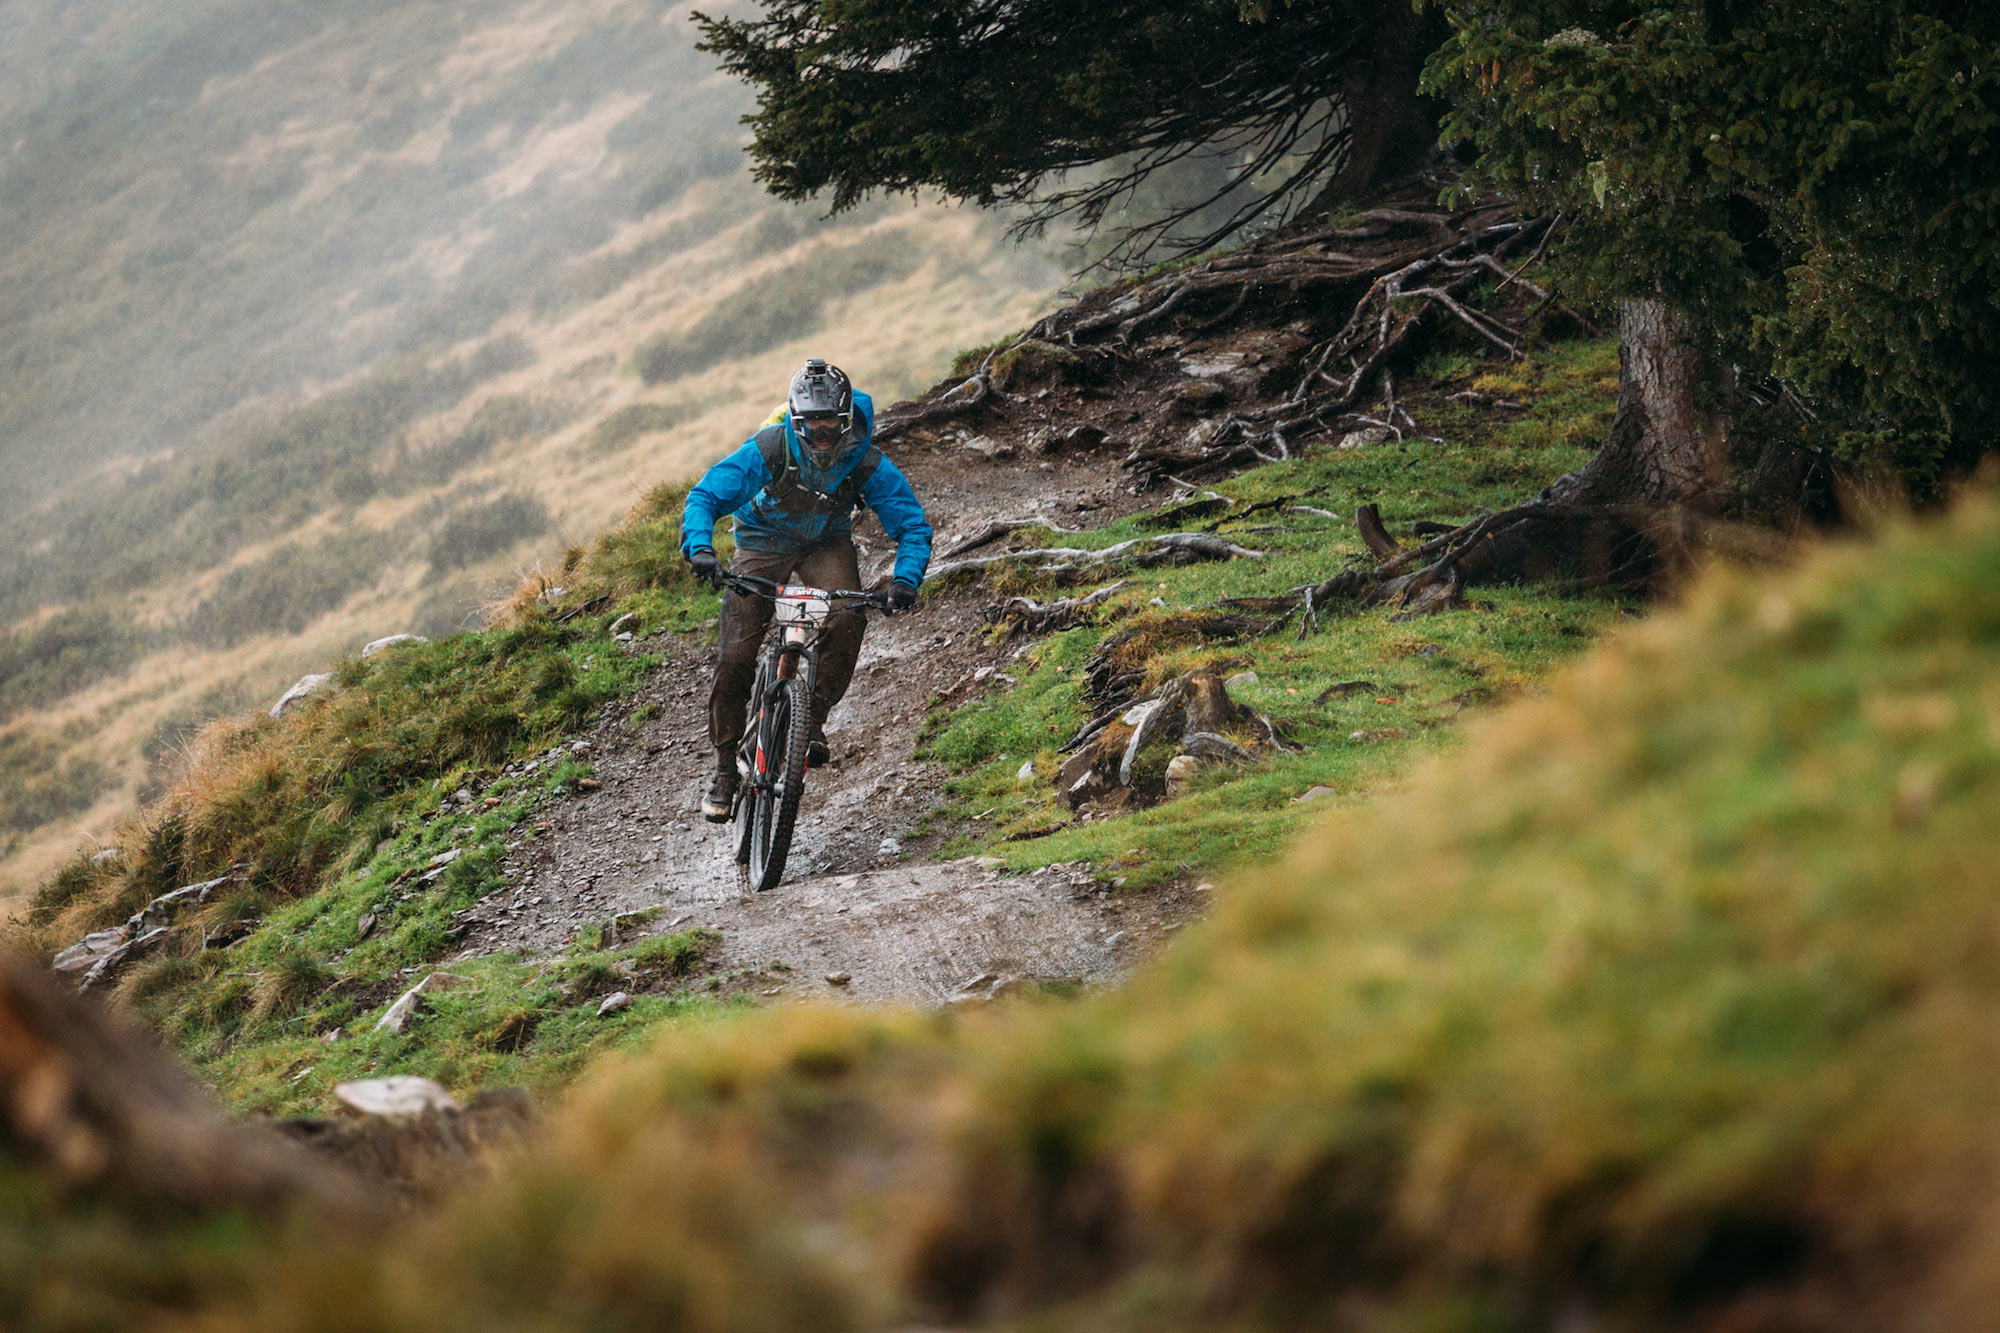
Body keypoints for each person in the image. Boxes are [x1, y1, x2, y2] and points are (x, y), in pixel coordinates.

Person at [680, 359, 932, 822]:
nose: (820, 435)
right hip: (760, 541)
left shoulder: (866, 460)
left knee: (847, 616)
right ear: (794, 421)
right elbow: (706, 496)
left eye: (830, 424)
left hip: (824, 544)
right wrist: (700, 549)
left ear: (846, 417)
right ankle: (723, 770)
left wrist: (904, 581)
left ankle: (810, 718)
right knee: (735, 657)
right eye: (809, 426)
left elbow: (912, 526)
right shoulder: (770, 447)